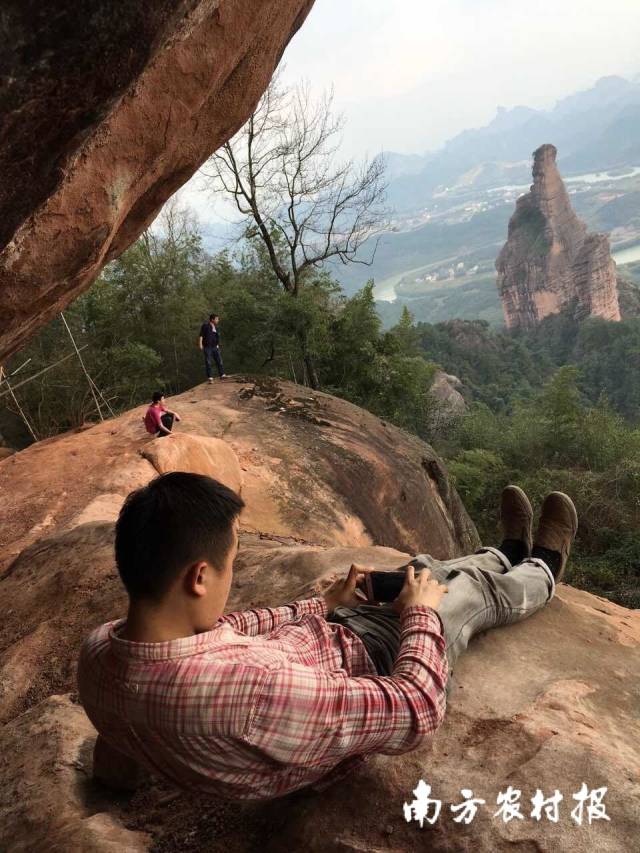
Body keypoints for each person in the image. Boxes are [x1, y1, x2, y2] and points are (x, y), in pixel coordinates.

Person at [78, 476, 577, 801]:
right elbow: (417, 709)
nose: (234, 577)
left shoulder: (101, 651)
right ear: (200, 577)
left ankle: (503, 549)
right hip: (376, 660)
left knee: (421, 570)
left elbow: (231, 630)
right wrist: (421, 617)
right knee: (465, 594)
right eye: (233, 563)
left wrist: (324, 605)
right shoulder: (255, 693)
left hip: (322, 643)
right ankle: (543, 567)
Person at [198, 313, 226, 383]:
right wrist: (200, 344)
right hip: (207, 347)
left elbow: (216, 337)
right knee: (208, 362)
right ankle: (210, 377)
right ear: (212, 319)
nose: (218, 320)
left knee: (219, 361)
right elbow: (201, 335)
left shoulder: (216, 327)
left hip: (215, 347)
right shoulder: (205, 326)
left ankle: (222, 374)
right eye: (217, 319)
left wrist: (217, 345)